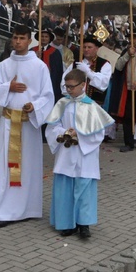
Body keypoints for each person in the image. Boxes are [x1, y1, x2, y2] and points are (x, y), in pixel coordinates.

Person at [0, 24, 55, 228]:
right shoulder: (5, 64)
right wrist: (9, 87)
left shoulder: (39, 66)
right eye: (15, 38)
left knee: (28, 167)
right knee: (4, 167)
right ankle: (1, 211)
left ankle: (28, 208)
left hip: (28, 125)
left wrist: (35, 106)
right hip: (8, 123)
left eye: (22, 38)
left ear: (29, 40)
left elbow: (47, 95)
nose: (17, 42)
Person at [46, 69, 115, 239]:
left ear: (83, 85)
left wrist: (79, 135)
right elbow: (52, 127)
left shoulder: (92, 106)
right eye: (66, 86)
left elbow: (98, 134)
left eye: (72, 87)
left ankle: (84, 224)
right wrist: (63, 132)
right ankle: (66, 224)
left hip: (85, 155)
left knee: (84, 190)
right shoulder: (62, 104)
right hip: (66, 153)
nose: (68, 90)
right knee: (65, 189)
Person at [32, 28, 64, 103]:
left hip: (49, 82)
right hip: (34, 83)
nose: (44, 38)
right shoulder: (32, 51)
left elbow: (58, 71)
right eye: (42, 36)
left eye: (46, 37)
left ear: (49, 39)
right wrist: (33, 56)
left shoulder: (55, 53)